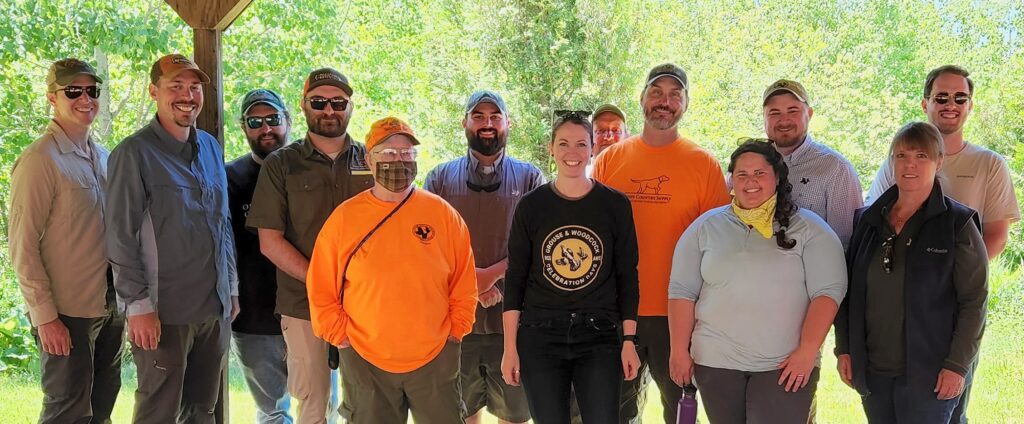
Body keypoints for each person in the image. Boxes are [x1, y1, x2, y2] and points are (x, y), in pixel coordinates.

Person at [864, 66, 1017, 423]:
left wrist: (949, 281)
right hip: (896, 320)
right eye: (941, 97)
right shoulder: (900, 156)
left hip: (952, 312)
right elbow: (878, 223)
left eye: (959, 98)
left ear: (970, 106)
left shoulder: (989, 164)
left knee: (948, 407)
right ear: (925, 103)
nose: (951, 105)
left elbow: (995, 233)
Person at [307, 116, 478, 423]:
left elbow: (464, 281)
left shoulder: (443, 215)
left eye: (406, 154)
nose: (398, 161)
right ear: (369, 160)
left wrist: (456, 329)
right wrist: (340, 335)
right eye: (388, 153)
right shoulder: (344, 219)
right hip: (365, 358)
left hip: (435, 356)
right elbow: (321, 287)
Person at [668, 139, 848, 423]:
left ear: (777, 177)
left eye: (759, 173)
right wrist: (678, 350)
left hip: (784, 364)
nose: (750, 181)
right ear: (731, 180)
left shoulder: (811, 229)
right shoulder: (705, 227)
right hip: (716, 363)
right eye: (742, 174)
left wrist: (807, 350)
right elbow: (681, 290)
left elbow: (828, 292)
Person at [592, 63, 731, 423]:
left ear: (685, 103)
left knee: (680, 411)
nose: (664, 102)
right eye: (656, 92)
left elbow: (719, 244)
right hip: (618, 312)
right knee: (615, 412)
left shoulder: (704, 165)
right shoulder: (609, 160)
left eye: (674, 94)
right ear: (642, 99)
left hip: (680, 314)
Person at [106, 53, 238, 423]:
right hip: (164, 313)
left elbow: (222, 224)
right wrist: (138, 306)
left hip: (214, 309)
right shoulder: (133, 154)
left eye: (194, 87)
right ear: (154, 91)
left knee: (202, 410)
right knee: (159, 411)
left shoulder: (210, 147)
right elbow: (120, 237)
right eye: (175, 86)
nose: (187, 95)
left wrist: (232, 288)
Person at [836, 122, 988, 423]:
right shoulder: (868, 220)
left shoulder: (958, 224)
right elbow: (848, 291)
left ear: (938, 162)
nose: (910, 165)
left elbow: (974, 301)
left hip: (931, 372)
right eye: (902, 155)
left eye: (921, 156)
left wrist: (957, 366)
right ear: (892, 161)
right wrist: (845, 348)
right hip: (875, 370)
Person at [247, 67, 373, 424]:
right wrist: (322, 281)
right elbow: (270, 242)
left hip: (367, 303)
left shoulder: (375, 160)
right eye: (319, 102)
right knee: (314, 404)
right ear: (304, 106)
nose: (329, 110)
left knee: (367, 402)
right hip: (304, 305)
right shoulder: (280, 165)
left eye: (338, 102)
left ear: (350, 106)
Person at [501, 110, 641, 424]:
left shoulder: (615, 205)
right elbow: (516, 280)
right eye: (563, 143)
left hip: (599, 337)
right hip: (540, 336)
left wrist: (629, 341)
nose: (572, 153)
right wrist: (510, 348)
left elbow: (627, 276)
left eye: (581, 144)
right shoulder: (531, 206)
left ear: (593, 148)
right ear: (551, 148)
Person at [8, 58, 123, 424]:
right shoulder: (40, 160)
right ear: (51, 98)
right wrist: (45, 318)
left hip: (110, 306)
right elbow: (22, 246)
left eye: (92, 91)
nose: (85, 98)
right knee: (66, 410)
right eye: (73, 91)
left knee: (102, 405)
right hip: (66, 312)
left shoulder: (104, 158)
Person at [425, 90, 544, 424]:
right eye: (478, 116)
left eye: (495, 117)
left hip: (513, 324)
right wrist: (472, 283)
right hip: (455, 324)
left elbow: (537, 247)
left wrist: (490, 275)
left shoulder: (531, 178)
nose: (487, 124)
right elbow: (428, 247)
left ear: (508, 123)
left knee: (514, 414)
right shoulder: (439, 179)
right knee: (462, 413)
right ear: (464, 122)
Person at [227, 88, 293, 424]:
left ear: (288, 120)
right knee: (272, 412)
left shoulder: (310, 172)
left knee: (324, 405)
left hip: (311, 312)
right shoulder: (229, 178)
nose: (266, 128)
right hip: (254, 315)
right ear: (243, 127)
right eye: (255, 122)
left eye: (273, 119)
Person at [761, 79, 863, 249]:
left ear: (809, 114)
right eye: (774, 112)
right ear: (764, 117)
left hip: (812, 272)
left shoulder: (835, 169)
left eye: (792, 111)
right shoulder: (748, 165)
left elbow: (846, 242)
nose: (784, 120)